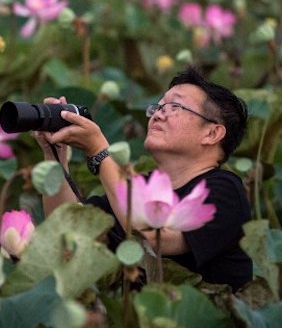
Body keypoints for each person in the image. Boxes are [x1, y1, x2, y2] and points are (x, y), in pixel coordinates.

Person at [35, 66, 253, 291]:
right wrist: (54, 158)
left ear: (212, 133)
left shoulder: (226, 190)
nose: (158, 114)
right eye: (157, 107)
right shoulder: (142, 187)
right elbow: (67, 232)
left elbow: (156, 238)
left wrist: (99, 151)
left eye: (174, 106)